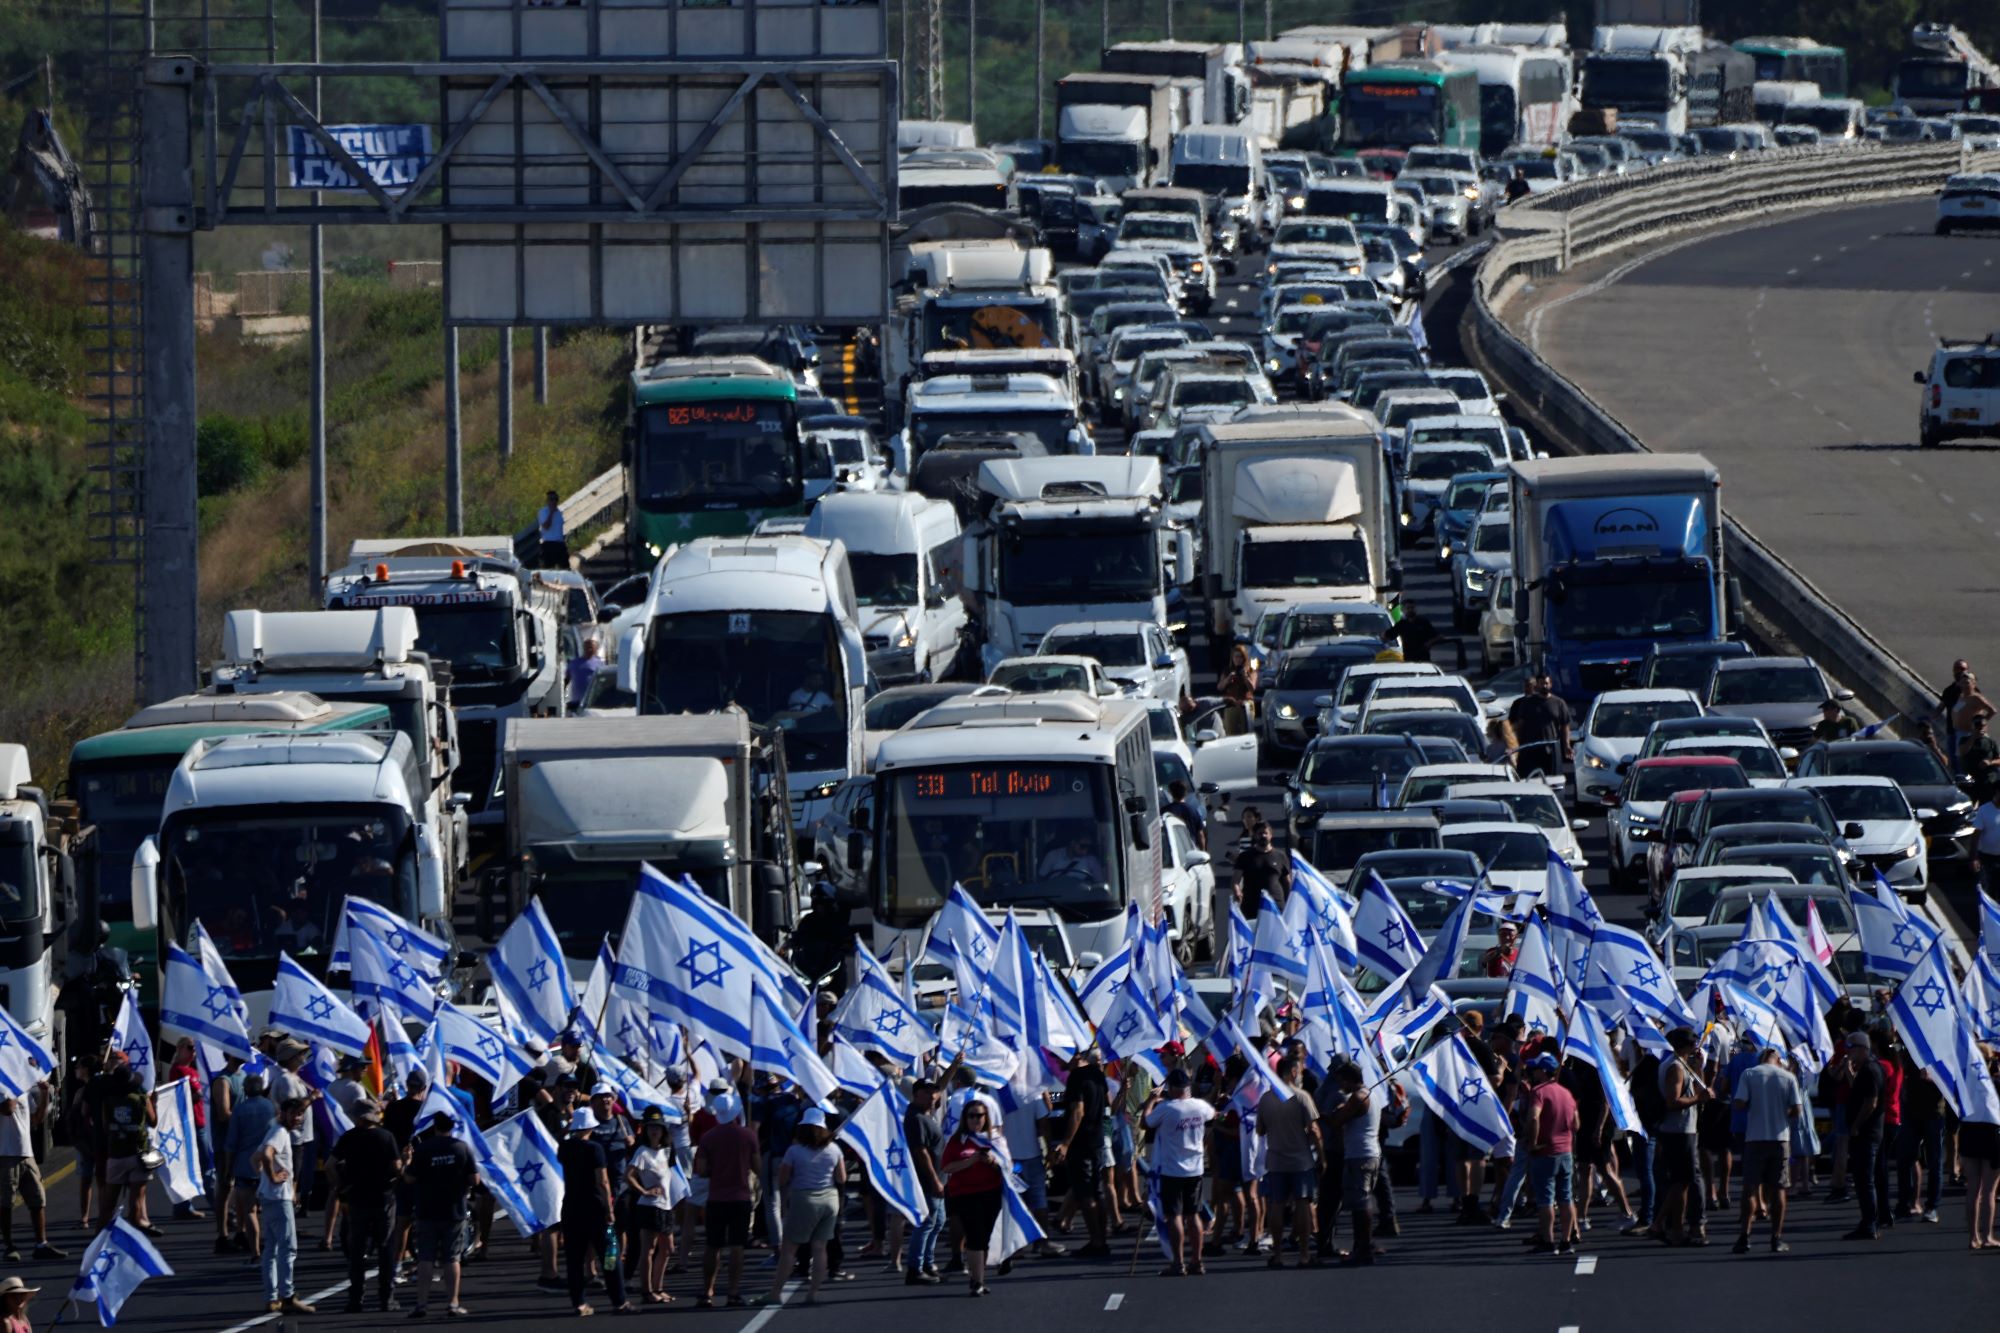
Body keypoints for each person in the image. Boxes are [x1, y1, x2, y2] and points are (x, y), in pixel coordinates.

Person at [1142, 1068, 1215, 1276]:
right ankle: (1197, 1261)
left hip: (1172, 1170)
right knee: (1193, 1215)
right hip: (1195, 1169)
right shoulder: (1200, 1106)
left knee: (1174, 1215)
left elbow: (1145, 1122)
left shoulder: (1167, 1108)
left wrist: (1151, 1101)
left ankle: (1178, 1262)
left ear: (1172, 1088)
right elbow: (1213, 1115)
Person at [332, 1097, 402, 1312]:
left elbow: (329, 1165)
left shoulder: (349, 1137)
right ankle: (386, 1298)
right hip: (383, 1198)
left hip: (357, 1198)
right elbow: (396, 1166)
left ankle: (355, 1299)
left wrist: (341, 1187)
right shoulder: (386, 1137)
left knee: (357, 1250)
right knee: (385, 1249)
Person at [405, 1110, 476, 1318]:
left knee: (425, 1257)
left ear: (434, 1126)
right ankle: (453, 1303)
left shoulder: (423, 1149)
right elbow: (475, 1180)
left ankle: (421, 1304)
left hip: (427, 1209)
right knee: (452, 1258)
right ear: (452, 1126)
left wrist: (408, 1162)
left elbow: (409, 1179)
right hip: (454, 1210)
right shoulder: (461, 1148)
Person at [559, 1106, 629, 1316]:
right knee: (610, 1254)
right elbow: (603, 1181)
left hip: (571, 1208)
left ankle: (579, 1303)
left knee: (574, 1258)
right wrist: (609, 1209)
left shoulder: (564, 1148)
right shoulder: (595, 1149)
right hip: (597, 1209)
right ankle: (619, 1301)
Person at [1731, 1047, 1801, 1255]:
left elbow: (1739, 1103)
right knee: (1779, 1188)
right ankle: (1776, 1238)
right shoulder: (1788, 1077)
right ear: (1778, 1059)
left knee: (1750, 1188)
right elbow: (1797, 1110)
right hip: (1780, 1139)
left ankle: (1745, 1236)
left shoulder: (1750, 1074)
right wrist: (1781, 1112)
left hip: (1755, 1138)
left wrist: (1756, 1106)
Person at [1256, 1054, 1321, 1269]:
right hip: (1300, 1161)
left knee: (1276, 1205)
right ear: (1293, 1071)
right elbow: (1313, 1129)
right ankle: (1303, 1254)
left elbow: (1260, 1130)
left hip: (1276, 1159)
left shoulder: (1266, 1099)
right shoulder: (1302, 1097)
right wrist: (1322, 1156)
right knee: (1302, 1203)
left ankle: (1278, 1255)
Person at [694, 1091, 757, 1307]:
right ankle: (733, 1292)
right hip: (740, 1196)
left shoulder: (708, 1137)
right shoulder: (748, 1136)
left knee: (713, 1246)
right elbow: (757, 1166)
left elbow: (701, 1170)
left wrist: (716, 1168)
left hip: (716, 1198)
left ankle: (707, 1291)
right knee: (737, 1246)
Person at [1321, 1061, 1385, 1267]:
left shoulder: (1359, 1097)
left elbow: (1336, 1121)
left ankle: (1364, 1248)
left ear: (1350, 1079)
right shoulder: (1370, 1094)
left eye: (1342, 1081)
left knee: (1360, 1202)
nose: (1340, 1086)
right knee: (1363, 1199)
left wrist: (1326, 1114)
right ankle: (1363, 1245)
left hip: (1360, 1155)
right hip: (1369, 1153)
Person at [937, 1101, 1004, 1295]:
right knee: (975, 1235)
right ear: (965, 1119)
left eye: (980, 1115)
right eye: (971, 1116)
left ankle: (980, 1277)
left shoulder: (995, 1139)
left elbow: (1008, 1168)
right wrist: (971, 1161)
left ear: (986, 1117)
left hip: (991, 1192)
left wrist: (991, 1162)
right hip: (965, 1194)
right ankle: (976, 1281)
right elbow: (946, 1167)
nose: (976, 1119)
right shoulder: (958, 1140)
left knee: (985, 1237)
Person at [255, 1098, 313, 1315]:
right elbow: (266, 1155)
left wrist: (263, 1178)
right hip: (279, 1198)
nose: (298, 1118)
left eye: (301, 1114)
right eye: (295, 1113)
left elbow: (256, 1158)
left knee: (271, 1248)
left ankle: (271, 1298)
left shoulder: (275, 1131)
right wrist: (272, 1177)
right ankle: (287, 1296)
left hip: (269, 1196)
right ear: (284, 1112)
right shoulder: (279, 1132)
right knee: (288, 1248)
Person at [1049, 1054, 1110, 1258]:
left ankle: (1096, 1241)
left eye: (1059, 1057)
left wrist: (1065, 1143)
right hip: (1098, 1139)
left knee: (1085, 1193)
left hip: (1082, 1142)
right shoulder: (1097, 1074)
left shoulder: (1076, 1077)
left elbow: (1077, 1111)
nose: (1057, 1063)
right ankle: (1102, 1238)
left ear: (1075, 1056)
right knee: (1097, 1191)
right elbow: (1107, 1102)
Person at [1654, 1027, 1709, 1246]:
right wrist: (1699, 1099)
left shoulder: (1684, 1065)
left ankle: (1674, 1227)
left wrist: (1699, 1069)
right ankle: (1664, 1224)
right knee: (1682, 1181)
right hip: (1678, 1131)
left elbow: (1698, 1086)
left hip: (1685, 1129)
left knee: (1682, 1181)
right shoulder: (1675, 1067)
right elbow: (1672, 1101)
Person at [0, 1067, 61, 1265]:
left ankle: (41, 1244)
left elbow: (36, 1119)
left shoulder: (23, 1090)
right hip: (5, 1153)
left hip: (26, 1153)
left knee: (37, 1199)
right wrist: (14, 1087)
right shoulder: (3, 1088)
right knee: (5, 1202)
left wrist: (44, 1096)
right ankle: (8, 1246)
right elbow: (8, 1109)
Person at [1521, 1053, 1579, 1256]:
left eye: (1536, 1069)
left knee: (1545, 1199)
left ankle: (1548, 1240)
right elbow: (1576, 1123)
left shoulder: (1538, 1092)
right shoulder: (1566, 1093)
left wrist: (1533, 1142)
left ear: (1543, 1071)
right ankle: (1566, 1240)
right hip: (1565, 1151)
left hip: (1546, 1151)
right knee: (1566, 1197)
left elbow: (1534, 1117)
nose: (1533, 1072)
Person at [99, 1055, 158, 1237]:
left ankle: (99, 1235)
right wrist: (153, 1102)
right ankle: (134, 1231)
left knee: (109, 1201)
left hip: (115, 1153)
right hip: (137, 1153)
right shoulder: (140, 1098)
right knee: (137, 1198)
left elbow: (104, 1127)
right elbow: (153, 1121)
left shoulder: (108, 1101)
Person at [627, 1108, 677, 1303]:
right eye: (651, 1128)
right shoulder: (642, 1152)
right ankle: (647, 1291)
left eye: (658, 1127)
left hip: (666, 1205)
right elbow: (628, 1175)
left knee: (667, 1248)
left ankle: (659, 1287)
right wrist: (644, 1191)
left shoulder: (666, 1151)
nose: (654, 1131)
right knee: (648, 1248)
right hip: (649, 1206)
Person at [1842, 1031, 1888, 1241]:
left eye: (1851, 1048)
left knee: (1865, 1179)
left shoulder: (1870, 1069)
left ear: (1862, 1048)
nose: (1849, 1053)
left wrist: (1856, 1126)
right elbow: (1858, 1091)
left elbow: (1871, 1101)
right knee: (1866, 1178)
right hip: (1870, 1131)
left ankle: (1870, 1223)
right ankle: (1869, 1220)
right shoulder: (1869, 1068)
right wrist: (1848, 1071)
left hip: (1867, 1132)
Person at [1965, 1044, 2000, 1249]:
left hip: (1970, 1132)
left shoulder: (1965, 1085)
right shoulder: (1995, 1083)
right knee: (1988, 1191)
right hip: (1992, 1134)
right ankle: (1987, 1236)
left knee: (1973, 1189)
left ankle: (1973, 1236)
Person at [1507, 668, 1572, 777]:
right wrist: (1514, 746)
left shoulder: (1559, 703)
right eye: (1541, 683)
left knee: (1551, 780)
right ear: (1537, 685)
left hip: (1551, 751)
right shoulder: (1527, 703)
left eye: (1546, 683)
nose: (1544, 686)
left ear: (1550, 684)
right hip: (1530, 751)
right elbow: (1519, 726)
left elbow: (1565, 726)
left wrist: (1566, 745)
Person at [1232, 822, 1290, 915]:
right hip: (1252, 907)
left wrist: (1289, 901)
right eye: (1260, 833)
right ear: (1255, 836)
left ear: (1271, 835)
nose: (1263, 836)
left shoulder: (1281, 856)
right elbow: (1235, 880)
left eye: (1265, 833)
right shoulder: (1245, 856)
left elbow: (1287, 882)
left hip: (1276, 906)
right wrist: (1237, 891)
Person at [1037, 831, 1105, 882]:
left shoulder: (1091, 861)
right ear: (1073, 843)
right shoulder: (1052, 856)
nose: (1085, 851)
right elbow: (1041, 880)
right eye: (1082, 846)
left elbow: (1099, 884)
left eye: (1088, 847)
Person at [1971, 783, 2000, 897]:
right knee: (1989, 889)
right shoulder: (1984, 810)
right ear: (1996, 793)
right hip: (1987, 859)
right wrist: (1974, 858)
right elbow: (1976, 835)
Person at [1164, 780, 1207, 851]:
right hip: (1190, 847)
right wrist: (1203, 851)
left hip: (1172, 848)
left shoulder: (1166, 811)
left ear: (1171, 793)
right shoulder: (1193, 810)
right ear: (1185, 793)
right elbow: (1200, 834)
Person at [565, 638, 604, 712]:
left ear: (596, 649)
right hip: (576, 701)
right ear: (584, 648)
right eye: (587, 647)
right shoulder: (574, 663)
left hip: (592, 701)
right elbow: (567, 679)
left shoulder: (600, 664)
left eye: (591, 648)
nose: (589, 650)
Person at [537, 490, 568, 569]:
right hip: (549, 544)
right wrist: (551, 513)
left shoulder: (559, 513)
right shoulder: (543, 512)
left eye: (555, 499)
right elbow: (546, 526)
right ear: (547, 501)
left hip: (560, 544)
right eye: (551, 499)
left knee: (565, 568)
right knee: (549, 569)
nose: (554, 501)